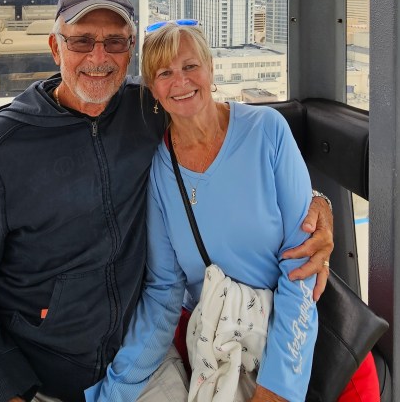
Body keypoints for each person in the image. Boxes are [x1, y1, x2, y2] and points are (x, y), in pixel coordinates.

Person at [0, 0, 334, 402]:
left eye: (115, 42)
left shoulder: (145, 110)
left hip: (138, 359)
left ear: (129, 53)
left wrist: (315, 203)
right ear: (55, 47)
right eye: (82, 41)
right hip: (34, 375)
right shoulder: (4, 148)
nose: (99, 57)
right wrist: (4, 390)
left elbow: (235, 150)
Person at [89, 21, 321, 402]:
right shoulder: (160, 169)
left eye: (190, 66)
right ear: (153, 89)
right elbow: (164, 291)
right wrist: (114, 391)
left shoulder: (267, 131)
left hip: (287, 331)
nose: (180, 81)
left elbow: (301, 267)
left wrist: (276, 388)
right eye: (165, 73)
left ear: (211, 69)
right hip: (219, 344)